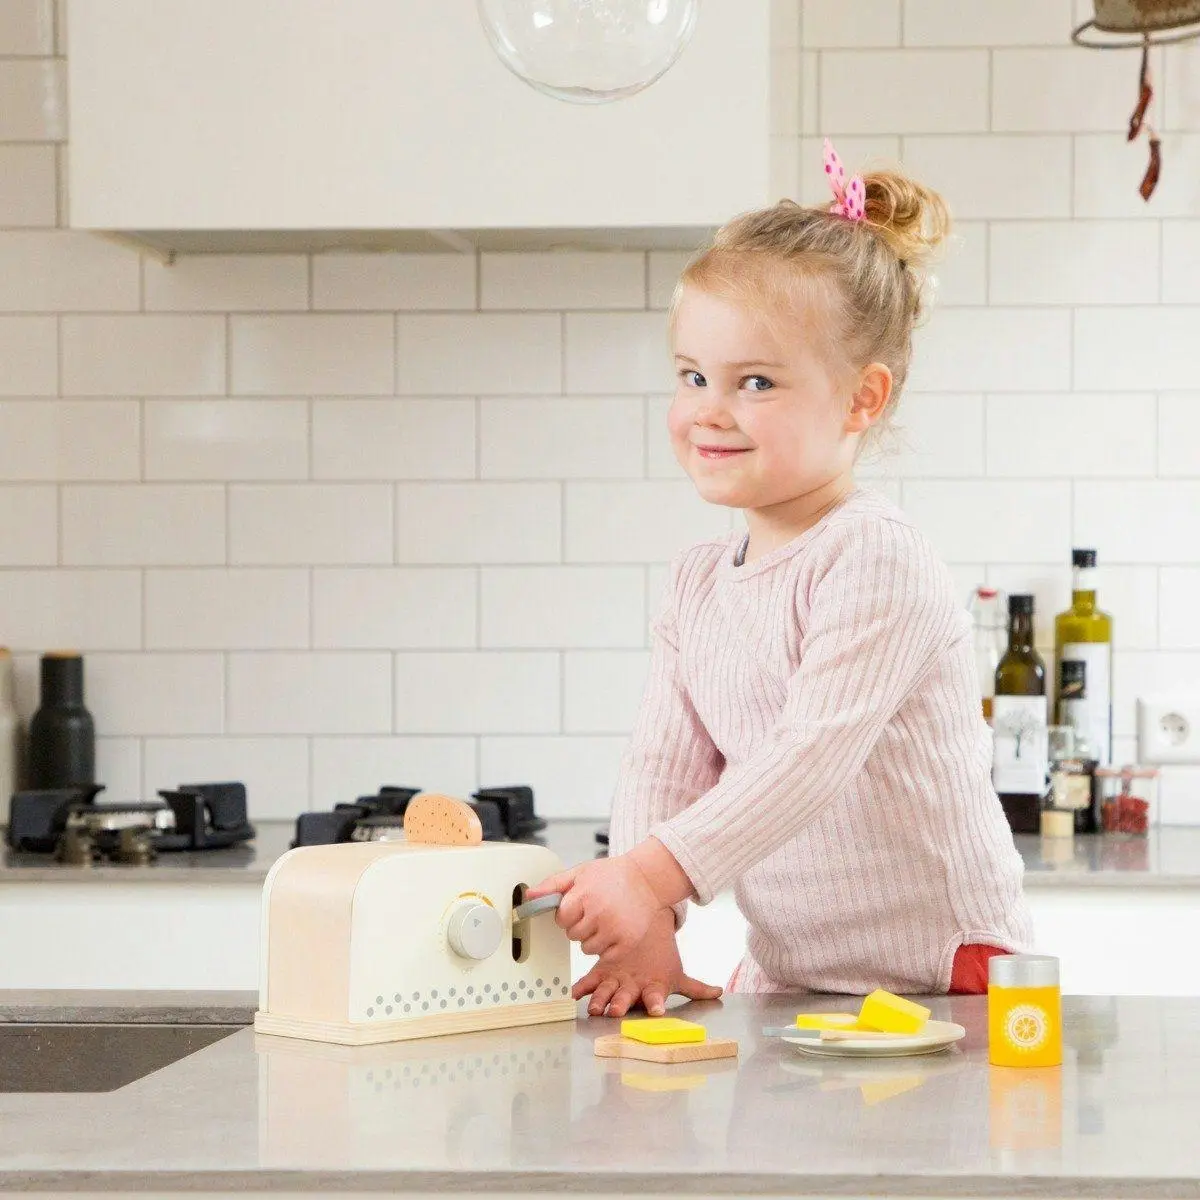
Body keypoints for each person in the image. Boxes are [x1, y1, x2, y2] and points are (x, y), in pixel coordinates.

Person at [526, 140, 1033, 1017]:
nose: (708, 411)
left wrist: (646, 876)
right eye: (692, 376)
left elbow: (811, 759)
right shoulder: (697, 584)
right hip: (795, 974)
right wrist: (656, 917)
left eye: (754, 381)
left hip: (946, 975)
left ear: (861, 400)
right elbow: (664, 762)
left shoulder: (873, 556)